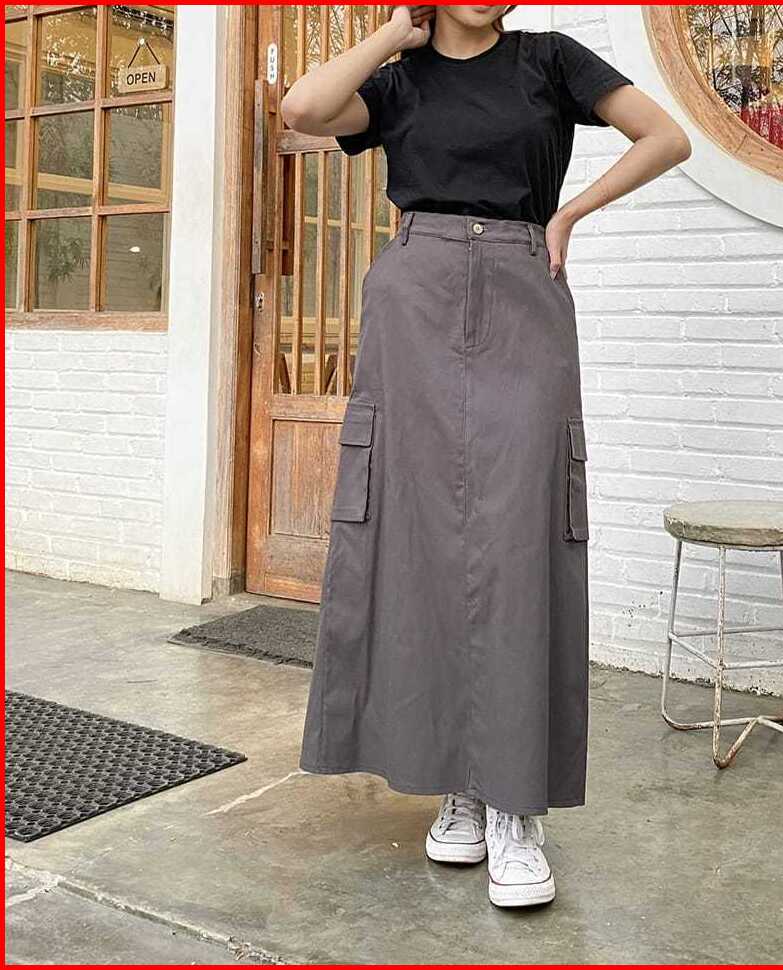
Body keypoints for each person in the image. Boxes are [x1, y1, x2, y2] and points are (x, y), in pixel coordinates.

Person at [283, 4, 690, 909]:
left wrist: (569, 214)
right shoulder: (396, 79)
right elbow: (301, 109)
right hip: (415, 301)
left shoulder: (550, 60)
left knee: (520, 539)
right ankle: (459, 790)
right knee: (420, 538)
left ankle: (514, 804)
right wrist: (394, 34)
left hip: (522, 287)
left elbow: (667, 137)